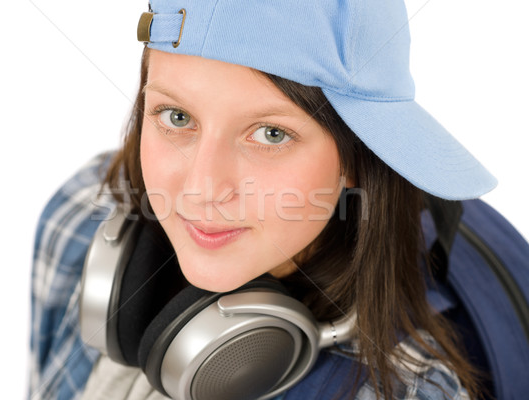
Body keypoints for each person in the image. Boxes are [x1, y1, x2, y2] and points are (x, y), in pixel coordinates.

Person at [29, 1, 498, 399]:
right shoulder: (76, 219)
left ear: (358, 156)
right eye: (176, 116)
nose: (203, 188)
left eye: (271, 134)